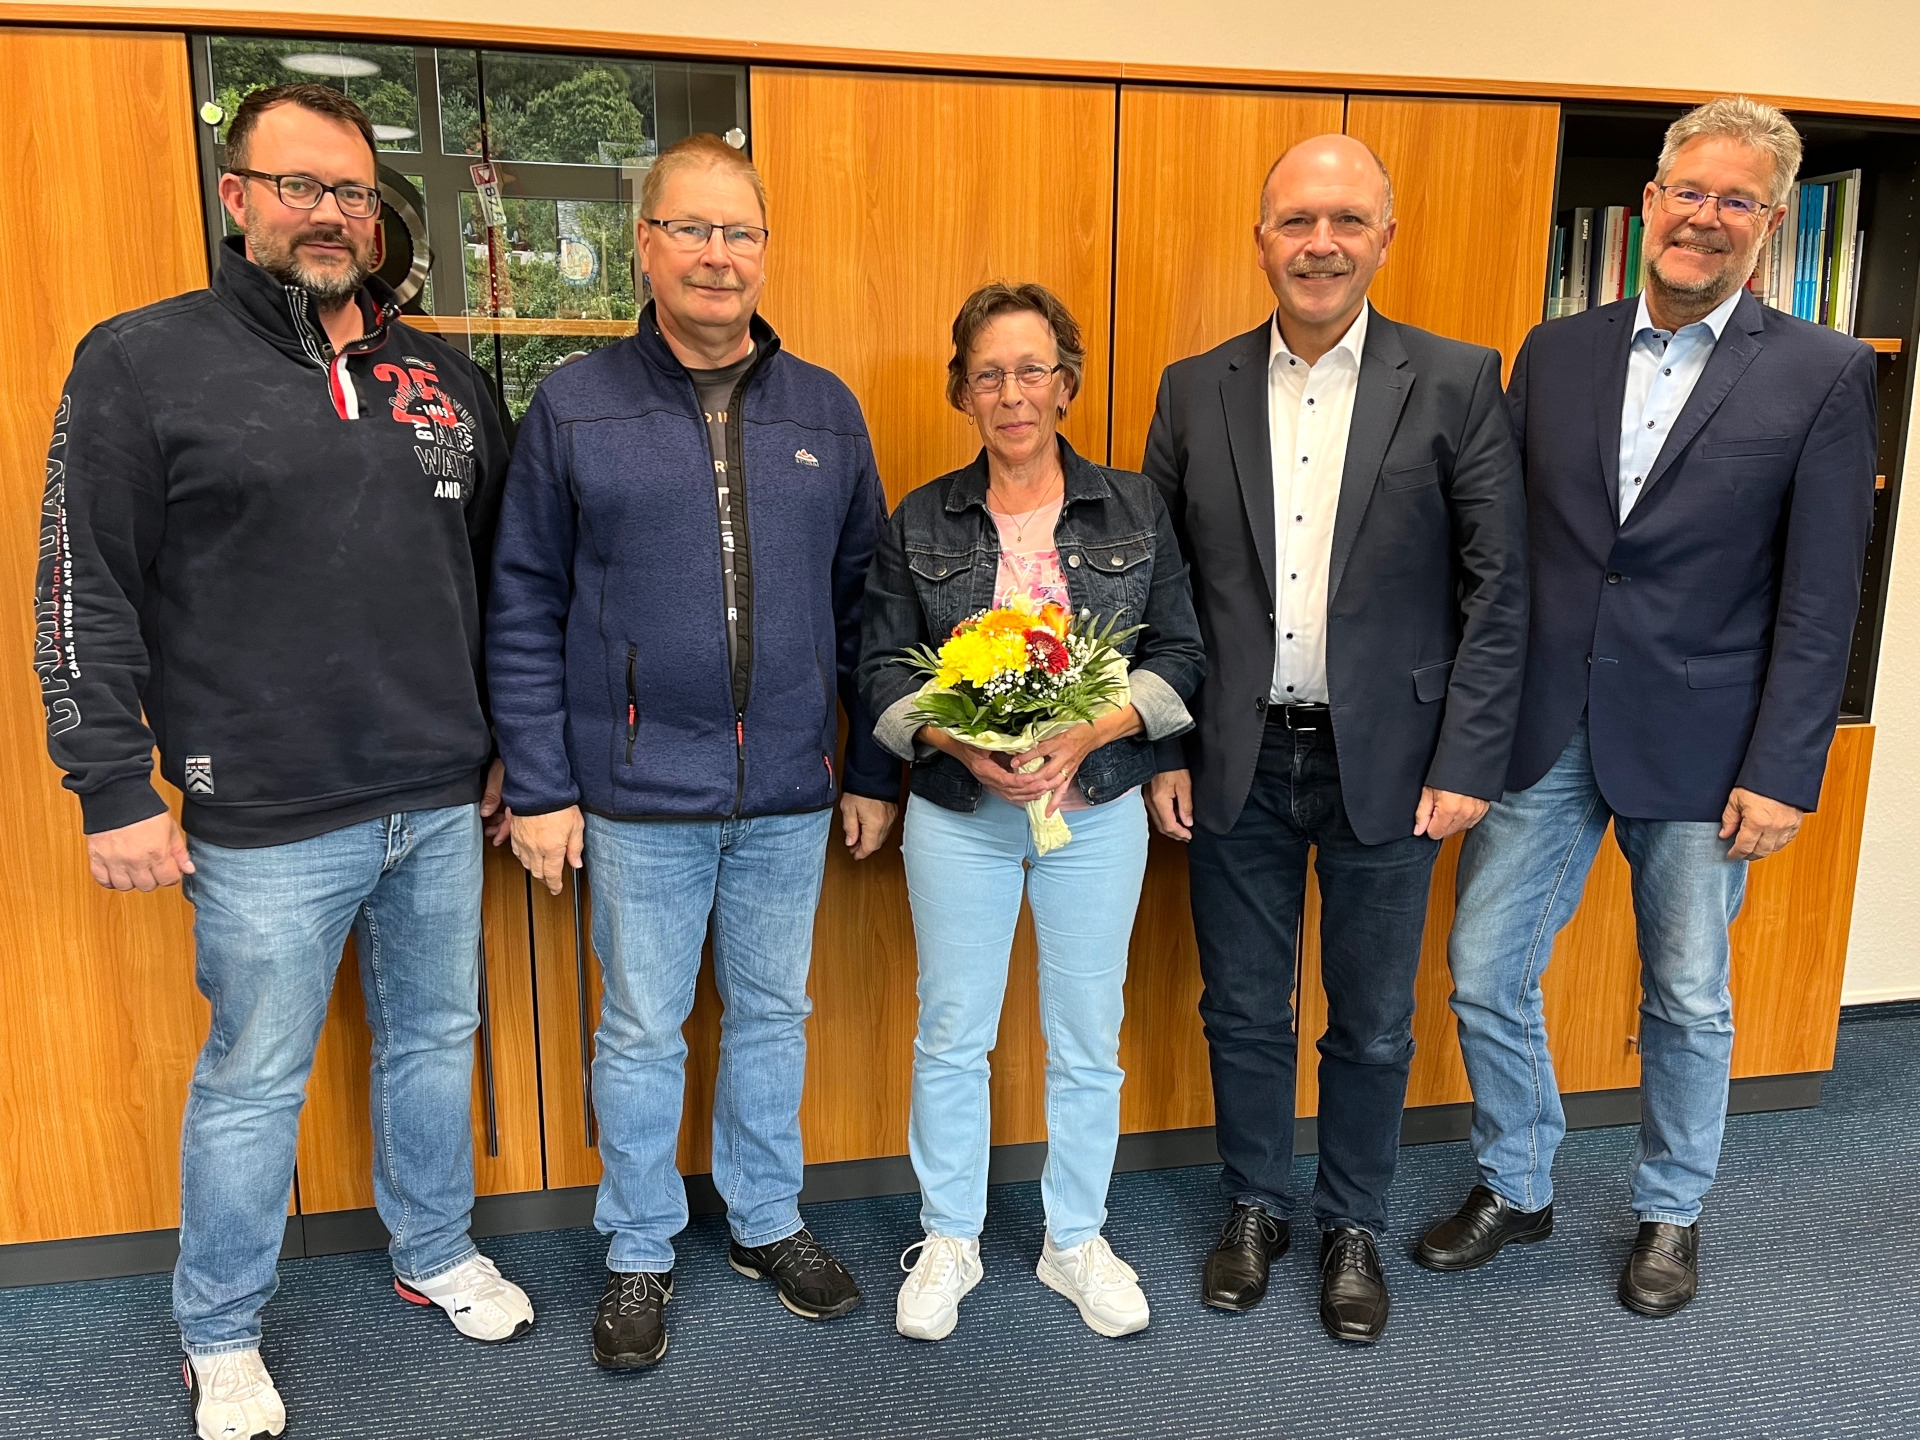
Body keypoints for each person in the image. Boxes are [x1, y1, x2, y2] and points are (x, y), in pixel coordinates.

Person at [34, 83, 534, 1440]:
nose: (329, 214)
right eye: (299, 185)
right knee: (254, 1081)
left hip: (438, 798)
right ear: (236, 195)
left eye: (353, 193)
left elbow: (498, 582)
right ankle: (220, 1328)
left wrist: (506, 749)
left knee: (435, 1042)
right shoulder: (140, 361)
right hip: (259, 818)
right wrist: (107, 782)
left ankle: (431, 1254)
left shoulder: (443, 376)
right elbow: (82, 582)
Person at [1418, 97, 1877, 1317]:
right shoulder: (1555, 351)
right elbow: (1505, 554)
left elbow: (1822, 594)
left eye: (1737, 201)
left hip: (1707, 742)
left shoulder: (1823, 372)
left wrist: (1785, 768)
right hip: (1543, 723)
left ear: (1771, 225)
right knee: (1482, 971)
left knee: (1686, 993)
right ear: (1648, 206)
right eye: (1689, 192)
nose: (1704, 219)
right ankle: (1517, 1185)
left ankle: (1672, 1212)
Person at [487, 133, 899, 1369]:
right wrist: (545, 783)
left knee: (775, 1014)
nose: (718, 257)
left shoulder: (825, 406)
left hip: (784, 790)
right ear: (647, 245)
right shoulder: (574, 403)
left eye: (740, 234)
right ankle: (639, 1247)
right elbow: (522, 599)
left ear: (766, 253)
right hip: (630, 795)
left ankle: (766, 1222)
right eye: (692, 230)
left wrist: (872, 768)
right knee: (640, 1032)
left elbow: (867, 605)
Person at [1142, 135, 1528, 1343]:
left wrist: (1468, 760)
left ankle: (1352, 1220)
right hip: (1232, 762)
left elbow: (1498, 587)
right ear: (1261, 239)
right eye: (1298, 220)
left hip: (1397, 765)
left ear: (1384, 238)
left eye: (1347, 221)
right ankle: (1256, 1203)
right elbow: (1157, 590)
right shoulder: (1192, 386)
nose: (1321, 243)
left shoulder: (1459, 380)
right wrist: (1160, 749)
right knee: (1243, 1009)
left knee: (1371, 1019)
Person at [857, 282, 1204, 1342]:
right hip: (959, 809)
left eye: (1034, 369)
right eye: (990, 372)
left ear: (1068, 381)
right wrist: (959, 741)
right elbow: (876, 665)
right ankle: (950, 1236)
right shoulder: (918, 517)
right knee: (954, 1031)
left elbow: (1181, 651)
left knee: (1087, 1038)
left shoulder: (1136, 508)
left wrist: (1092, 735)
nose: (1014, 393)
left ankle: (1074, 1242)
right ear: (962, 388)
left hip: (1095, 806)